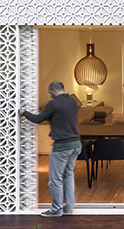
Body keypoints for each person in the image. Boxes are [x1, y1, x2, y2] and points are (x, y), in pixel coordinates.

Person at [19, 81, 81, 217]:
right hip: (76, 144)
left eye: (49, 92)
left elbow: (38, 119)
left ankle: (56, 210)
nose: (50, 95)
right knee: (68, 174)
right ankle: (69, 207)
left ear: (53, 90)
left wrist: (24, 112)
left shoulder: (53, 104)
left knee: (55, 179)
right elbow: (64, 120)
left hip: (62, 147)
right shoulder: (73, 102)